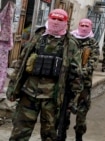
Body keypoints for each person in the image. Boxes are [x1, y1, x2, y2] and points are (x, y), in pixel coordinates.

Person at [6, 9, 83, 141]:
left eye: (60, 20)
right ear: (48, 18)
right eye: (54, 18)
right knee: (19, 132)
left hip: (52, 97)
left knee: (50, 135)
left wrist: (73, 101)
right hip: (29, 93)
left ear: (66, 22)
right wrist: (12, 87)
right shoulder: (38, 37)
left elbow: (76, 74)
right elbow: (21, 63)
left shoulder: (70, 44)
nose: (56, 22)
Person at [66, 18, 99, 141]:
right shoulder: (70, 40)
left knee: (82, 112)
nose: (84, 27)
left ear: (90, 27)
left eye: (87, 25)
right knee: (65, 111)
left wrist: (80, 73)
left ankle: (79, 136)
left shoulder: (93, 43)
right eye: (82, 25)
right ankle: (62, 134)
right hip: (68, 83)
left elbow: (93, 61)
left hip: (84, 85)